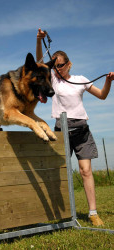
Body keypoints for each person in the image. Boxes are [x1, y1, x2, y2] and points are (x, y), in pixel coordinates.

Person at [36, 28, 114, 226]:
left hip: (82, 130)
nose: (57, 69)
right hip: (61, 131)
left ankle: (93, 213)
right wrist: (39, 40)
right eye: (54, 66)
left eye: (60, 65)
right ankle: (57, 213)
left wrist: (108, 81)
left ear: (68, 64)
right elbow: (39, 62)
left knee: (86, 170)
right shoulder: (52, 78)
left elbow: (103, 95)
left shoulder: (80, 80)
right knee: (59, 172)